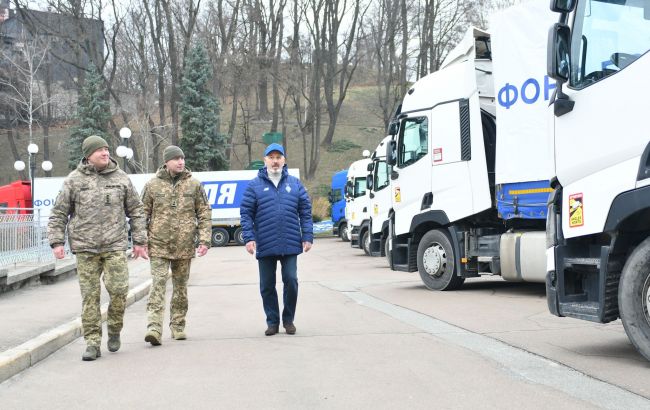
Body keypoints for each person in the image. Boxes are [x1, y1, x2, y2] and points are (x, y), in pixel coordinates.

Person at [48, 135, 148, 361]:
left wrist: (140, 241)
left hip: (114, 245)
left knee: (120, 290)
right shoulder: (74, 180)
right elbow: (59, 212)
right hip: (85, 248)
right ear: (88, 155)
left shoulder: (121, 178)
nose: (105, 153)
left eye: (106, 149)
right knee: (90, 298)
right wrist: (56, 242)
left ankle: (114, 329)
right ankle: (92, 342)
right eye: (99, 150)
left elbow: (136, 211)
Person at [240, 143, 313, 336]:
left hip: (290, 243)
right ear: (265, 161)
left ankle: (288, 320)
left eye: (278, 157)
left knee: (291, 280)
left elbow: (305, 212)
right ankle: (272, 321)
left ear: (284, 160)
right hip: (265, 243)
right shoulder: (254, 186)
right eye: (271, 157)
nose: (275, 161)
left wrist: (307, 236)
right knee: (267, 285)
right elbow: (246, 213)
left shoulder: (295, 184)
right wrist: (249, 238)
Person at [141, 145, 211, 346]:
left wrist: (205, 239)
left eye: (182, 158)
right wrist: (141, 241)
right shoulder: (153, 185)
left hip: (184, 246)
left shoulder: (194, 185)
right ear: (166, 162)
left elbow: (204, 213)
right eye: (176, 159)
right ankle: (154, 327)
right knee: (158, 285)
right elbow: (141, 215)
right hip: (158, 245)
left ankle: (178, 326)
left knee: (180, 289)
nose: (181, 162)